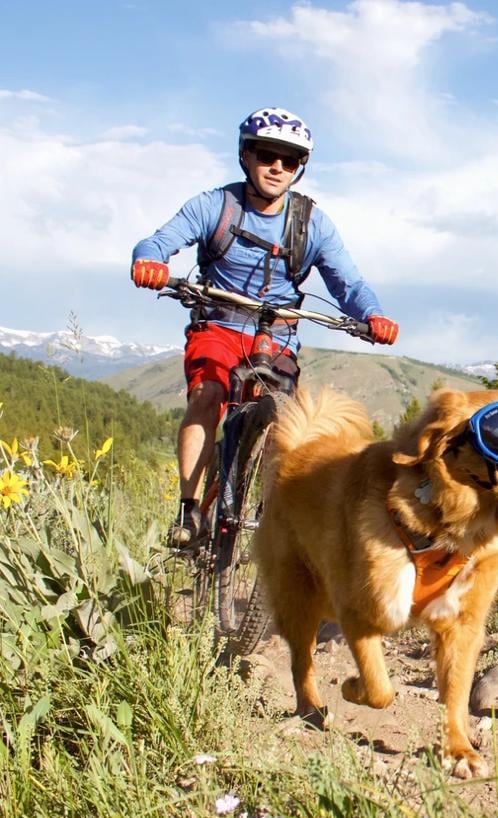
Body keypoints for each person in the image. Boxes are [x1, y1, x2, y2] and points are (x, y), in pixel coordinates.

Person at [131, 107, 400, 547]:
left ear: (299, 169)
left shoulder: (312, 223)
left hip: (276, 336)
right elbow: (158, 241)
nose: (277, 167)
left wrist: (372, 315)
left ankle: (278, 522)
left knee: (288, 424)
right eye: (266, 155)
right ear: (245, 156)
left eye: (289, 160)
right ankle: (188, 510)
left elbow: (348, 283)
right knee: (208, 394)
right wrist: (150, 262)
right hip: (217, 324)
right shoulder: (215, 206)